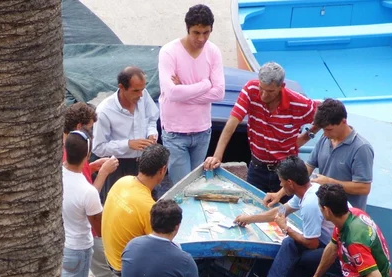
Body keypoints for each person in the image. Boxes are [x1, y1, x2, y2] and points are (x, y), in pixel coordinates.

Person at [234, 157, 340, 277]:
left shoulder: (311, 203)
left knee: (293, 260)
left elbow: (312, 244)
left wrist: (286, 228)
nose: (280, 185)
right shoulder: (308, 190)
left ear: (290, 183)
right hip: (327, 244)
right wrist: (249, 219)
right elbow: (280, 211)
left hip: (338, 254)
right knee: (290, 246)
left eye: (282, 182)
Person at [64, 103, 132, 277]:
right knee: (104, 273)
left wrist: (91, 167)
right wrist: (102, 174)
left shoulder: (65, 162)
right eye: (90, 130)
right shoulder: (88, 193)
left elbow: (76, 175)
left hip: (68, 234)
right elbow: (91, 204)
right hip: (82, 238)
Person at [203, 61, 319, 194]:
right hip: (257, 168)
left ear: (282, 86)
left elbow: (324, 114)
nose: (263, 95)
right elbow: (233, 121)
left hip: (286, 171)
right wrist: (217, 156)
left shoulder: (299, 103)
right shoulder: (250, 89)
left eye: (270, 91)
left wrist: (307, 136)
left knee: (285, 211)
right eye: (261, 88)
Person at [264, 98, 374, 211]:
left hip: (347, 218)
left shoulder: (361, 148)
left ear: (343, 122)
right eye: (323, 130)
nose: (325, 134)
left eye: (329, 130)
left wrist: (330, 182)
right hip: (324, 212)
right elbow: (306, 170)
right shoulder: (325, 139)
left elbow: (364, 188)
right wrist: (280, 193)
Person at [159, 4, 225, 185]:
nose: (201, 38)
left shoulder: (213, 51)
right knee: (182, 186)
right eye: (196, 32)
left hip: (203, 130)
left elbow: (219, 92)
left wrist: (185, 92)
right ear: (187, 28)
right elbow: (172, 93)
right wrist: (205, 84)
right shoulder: (168, 52)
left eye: (206, 32)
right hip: (175, 132)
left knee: (196, 184)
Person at [92, 66, 160, 202]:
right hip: (118, 168)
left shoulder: (143, 95)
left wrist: (152, 134)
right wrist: (128, 144)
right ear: (121, 87)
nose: (141, 94)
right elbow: (98, 148)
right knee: (119, 207)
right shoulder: (104, 111)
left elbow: (152, 118)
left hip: (144, 163)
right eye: (135, 90)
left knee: (148, 206)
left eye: (142, 89)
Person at [101, 144, 170, 276]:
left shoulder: (123, 181)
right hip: (125, 267)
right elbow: (161, 247)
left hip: (109, 255)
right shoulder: (149, 208)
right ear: (163, 170)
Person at [61, 131, 104, 277]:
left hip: (62, 243)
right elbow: (99, 228)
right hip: (77, 249)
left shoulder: (56, 175)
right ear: (87, 155)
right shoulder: (88, 192)